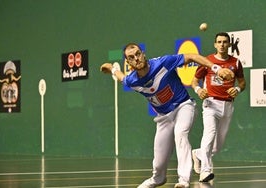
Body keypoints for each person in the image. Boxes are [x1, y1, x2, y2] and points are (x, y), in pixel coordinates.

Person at [100, 43, 234, 188]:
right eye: (132, 57)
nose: (137, 58)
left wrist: (217, 68)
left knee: (180, 133)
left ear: (143, 54)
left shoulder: (163, 63)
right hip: (164, 118)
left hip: (184, 106)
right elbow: (121, 77)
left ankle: (183, 180)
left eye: (138, 54)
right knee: (159, 162)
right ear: (129, 63)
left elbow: (191, 56)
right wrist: (111, 68)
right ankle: (157, 179)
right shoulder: (132, 80)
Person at [191, 32, 246, 182]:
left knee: (217, 147)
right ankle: (205, 171)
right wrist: (199, 90)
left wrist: (238, 90)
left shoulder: (235, 62)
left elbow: (242, 83)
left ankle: (197, 154)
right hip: (210, 104)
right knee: (209, 134)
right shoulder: (208, 61)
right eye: (219, 42)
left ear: (229, 45)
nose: (222, 44)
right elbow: (194, 82)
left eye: (225, 42)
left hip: (228, 105)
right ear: (215, 44)